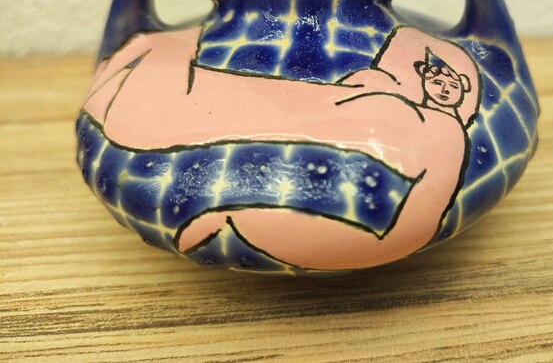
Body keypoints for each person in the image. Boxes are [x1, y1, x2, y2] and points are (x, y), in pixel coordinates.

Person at [83, 23, 481, 269]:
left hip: (298, 127)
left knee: (166, 108)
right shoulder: (389, 90)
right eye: (436, 77)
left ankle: (149, 88)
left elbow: (418, 218)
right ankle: (147, 84)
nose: (443, 85)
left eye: (452, 83)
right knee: (170, 103)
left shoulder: (445, 132)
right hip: (278, 105)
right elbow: (359, 84)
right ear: (422, 78)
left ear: (464, 91)